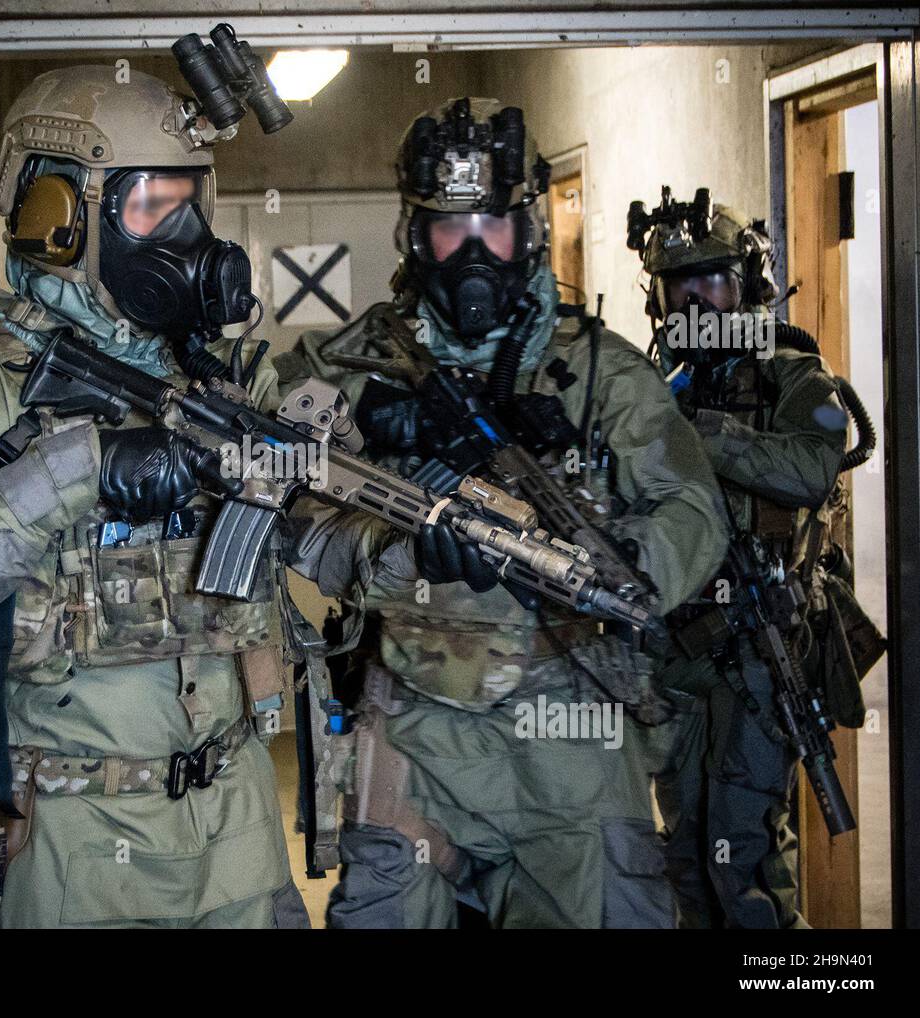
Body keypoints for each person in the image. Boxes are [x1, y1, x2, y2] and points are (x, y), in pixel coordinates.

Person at [0, 65, 310, 928]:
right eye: (151, 208)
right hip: (75, 840)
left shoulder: (216, 378)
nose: (184, 237)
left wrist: (396, 542)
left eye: (192, 205)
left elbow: (311, 536)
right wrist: (83, 469)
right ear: (58, 220)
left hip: (240, 822)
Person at [274, 98, 728, 928]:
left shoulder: (598, 374)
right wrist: (392, 538)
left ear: (530, 233)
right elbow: (276, 502)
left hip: (576, 722)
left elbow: (693, 511)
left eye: (494, 227)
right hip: (414, 720)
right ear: (417, 240)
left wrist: (606, 560)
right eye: (452, 231)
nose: (475, 255)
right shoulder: (349, 366)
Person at [629, 189, 849, 928]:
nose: (696, 305)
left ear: (748, 286)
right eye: (679, 288)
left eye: (713, 284)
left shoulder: (794, 374)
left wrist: (702, 430)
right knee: (684, 856)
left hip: (759, 653)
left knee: (741, 858)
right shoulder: (652, 390)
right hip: (675, 650)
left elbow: (813, 467)